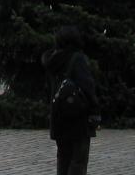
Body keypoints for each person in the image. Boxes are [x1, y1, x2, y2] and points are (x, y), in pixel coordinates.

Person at [41, 25, 100, 175]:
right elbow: (87, 87)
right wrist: (94, 111)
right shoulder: (77, 58)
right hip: (78, 115)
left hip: (58, 113)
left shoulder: (52, 60)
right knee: (78, 159)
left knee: (63, 157)